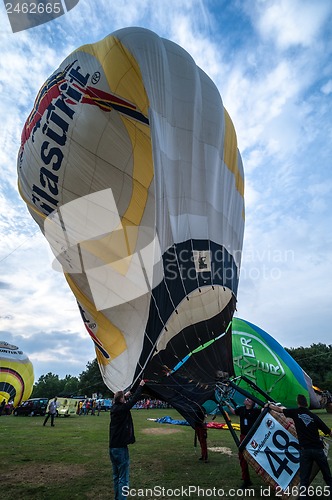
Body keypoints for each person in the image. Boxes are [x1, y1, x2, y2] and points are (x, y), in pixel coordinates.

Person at [268, 394, 332, 498]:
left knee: (304, 479)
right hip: (318, 450)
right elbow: (328, 431)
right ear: (306, 404)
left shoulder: (295, 412)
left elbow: (279, 410)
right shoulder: (314, 416)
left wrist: (269, 406)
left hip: (305, 451)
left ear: (298, 403)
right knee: (327, 476)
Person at [109, 380, 145, 500]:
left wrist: (128, 392)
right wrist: (140, 386)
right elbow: (134, 400)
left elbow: (122, 398)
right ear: (121, 400)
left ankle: (117, 497)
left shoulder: (114, 408)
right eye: (124, 398)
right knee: (123, 478)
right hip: (120, 449)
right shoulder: (122, 409)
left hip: (112, 448)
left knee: (116, 476)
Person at [226, 397, 261, 488]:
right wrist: (228, 405)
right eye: (246, 399)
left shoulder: (256, 411)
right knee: (242, 457)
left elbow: (264, 412)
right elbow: (234, 412)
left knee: (257, 456)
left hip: (253, 437)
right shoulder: (241, 409)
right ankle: (246, 479)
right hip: (243, 436)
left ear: (251, 404)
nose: (246, 400)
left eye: (249, 400)